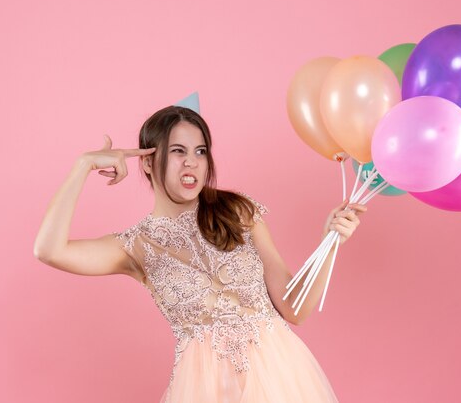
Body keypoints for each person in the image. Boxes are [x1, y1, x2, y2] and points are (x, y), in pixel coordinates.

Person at [33, 105, 367, 402]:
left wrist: (330, 241)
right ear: (148, 163)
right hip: (207, 391)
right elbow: (49, 250)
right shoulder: (136, 246)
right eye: (178, 151)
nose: (192, 161)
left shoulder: (237, 211)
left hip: (280, 383)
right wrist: (83, 165)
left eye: (201, 151)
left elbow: (295, 308)